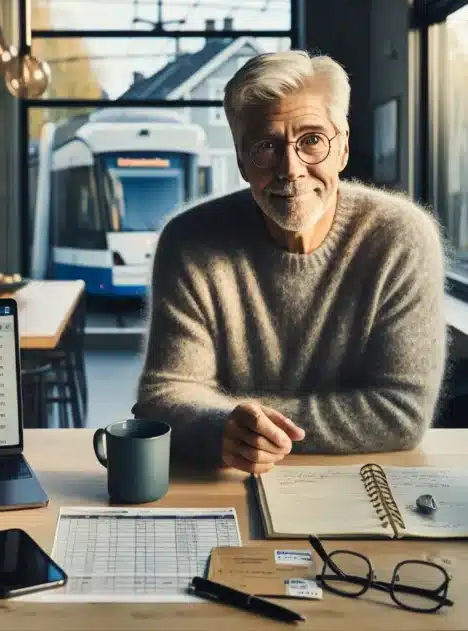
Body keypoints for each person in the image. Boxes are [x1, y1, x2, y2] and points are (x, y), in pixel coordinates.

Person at [132, 49, 447, 474]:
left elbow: (401, 412)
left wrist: (244, 425)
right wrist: (220, 427)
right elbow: (164, 394)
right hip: (229, 482)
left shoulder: (401, 237)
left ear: (343, 149)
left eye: (312, 140)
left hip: (367, 479)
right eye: (266, 147)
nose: (291, 169)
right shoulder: (189, 242)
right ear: (242, 160)